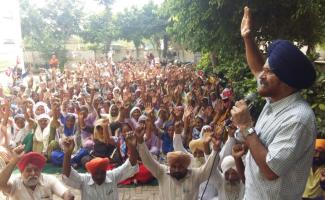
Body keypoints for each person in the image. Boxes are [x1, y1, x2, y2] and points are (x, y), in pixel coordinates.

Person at [231, 6, 317, 200]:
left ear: (285, 81)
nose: (261, 75)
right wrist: (247, 38)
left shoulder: (299, 119)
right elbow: (257, 68)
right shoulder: (275, 99)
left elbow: (271, 170)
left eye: (268, 71)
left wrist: (245, 127)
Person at [135, 124, 222, 200]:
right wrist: (140, 142)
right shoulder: (162, 172)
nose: (177, 169)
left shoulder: (194, 175)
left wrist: (215, 150)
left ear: (186, 166)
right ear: (170, 166)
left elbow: (210, 168)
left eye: (180, 167)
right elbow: (148, 161)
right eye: (174, 166)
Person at [61, 135, 139, 200]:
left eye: (102, 173)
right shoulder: (84, 180)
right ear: (90, 173)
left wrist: (132, 147)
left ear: (106, 171)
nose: (99, 176)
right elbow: (68, 174)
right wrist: (68, 153)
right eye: (96, 173)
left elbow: (130, 164)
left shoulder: (112, 176)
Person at [0, 145, 74, 200]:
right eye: (28, 170)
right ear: (21, 172)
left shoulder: (49, 180)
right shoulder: (15, 183)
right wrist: (14, 161)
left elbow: (67, 194)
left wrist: (68, 197)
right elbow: (1, 184)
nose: (33, 173)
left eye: (36, 170)